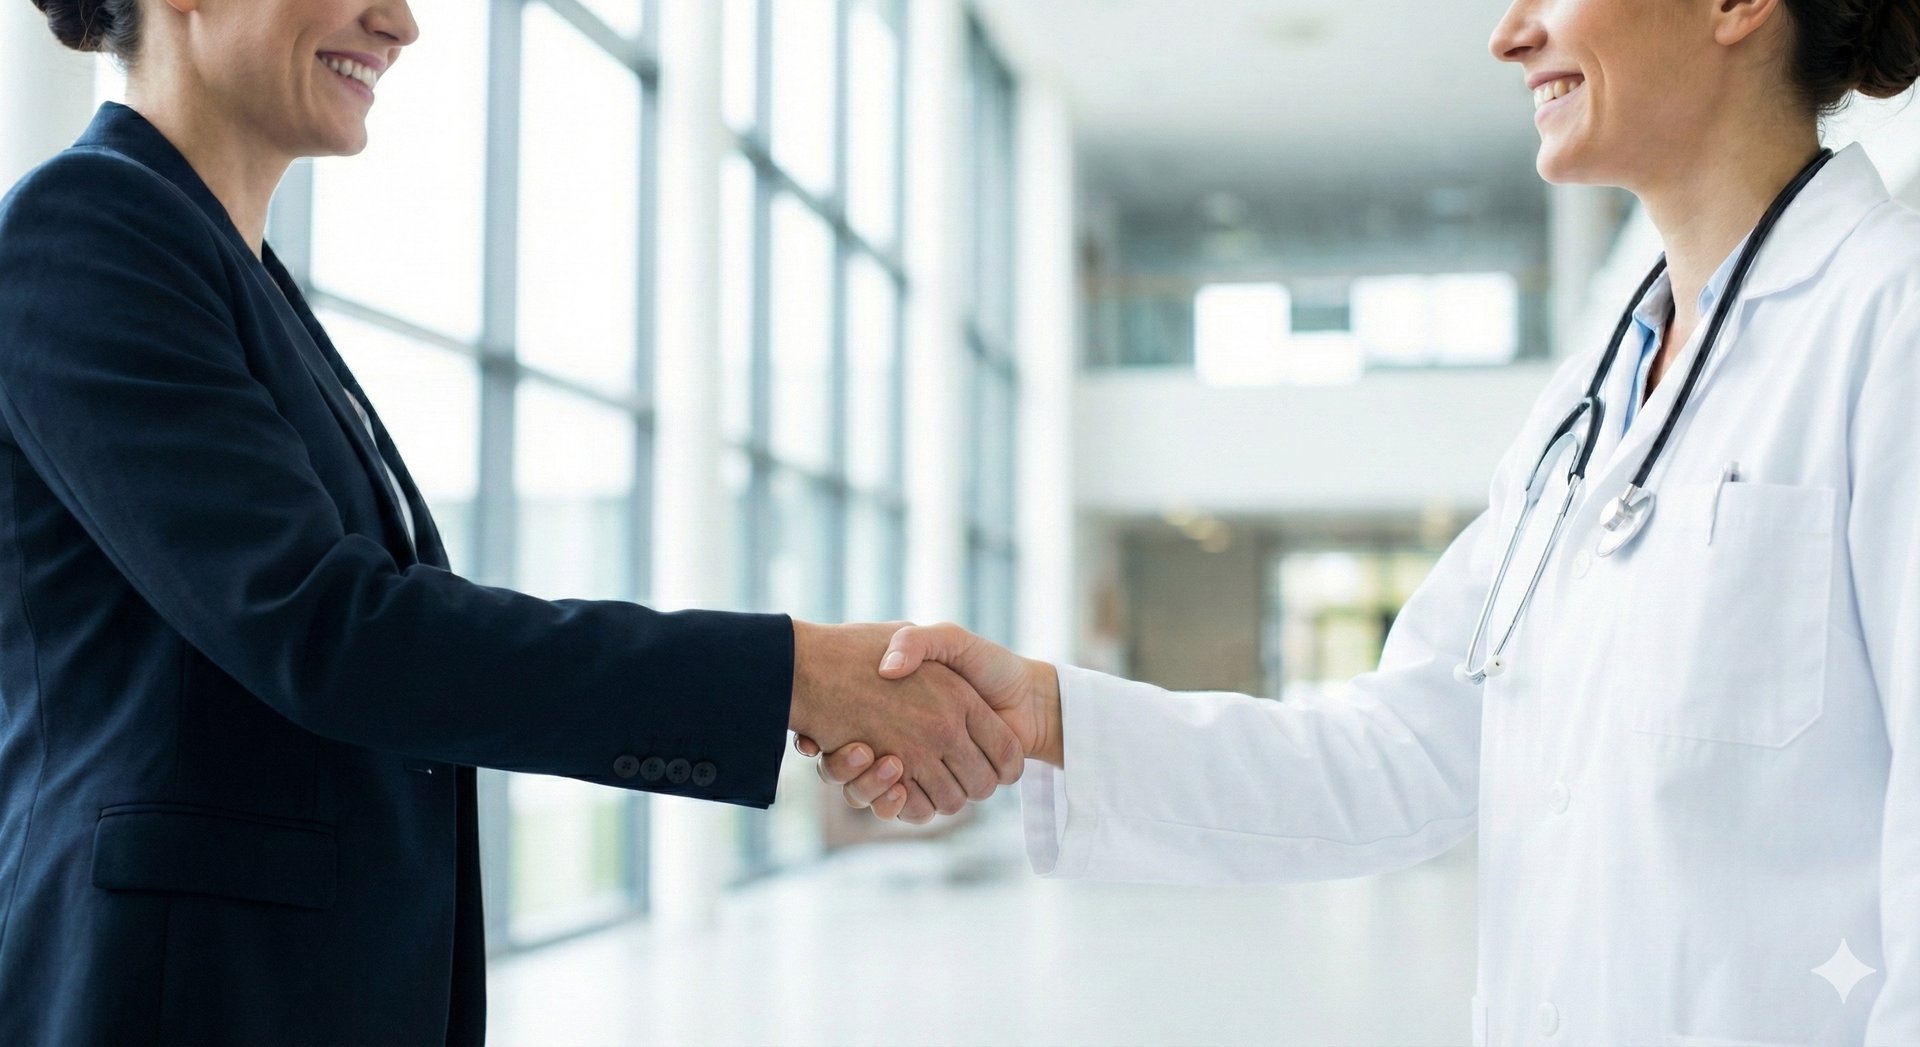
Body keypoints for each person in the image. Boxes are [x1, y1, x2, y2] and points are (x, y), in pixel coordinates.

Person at [805, 0, 1920, 1041]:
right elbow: (1402, 749)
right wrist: (1049, 713)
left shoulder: (1890, 321)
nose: (1509, 34)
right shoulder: (1585, 402)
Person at [0, 0, 1021, 1043]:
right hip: (170, 996)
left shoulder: (235, 274)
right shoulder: (85, 227)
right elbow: (331, 631)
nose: (399, 22)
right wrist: (791, 675)